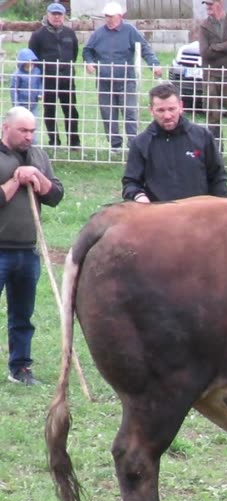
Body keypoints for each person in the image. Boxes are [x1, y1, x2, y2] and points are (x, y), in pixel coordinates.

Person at [0, 107, 63, 386]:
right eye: (23, 131)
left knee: (22, 315)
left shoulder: (38, 156)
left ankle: (20, 368)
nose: (29, 137)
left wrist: (38, 177)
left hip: (28, 250)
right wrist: (16, 179)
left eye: (32, 131)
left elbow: (56, 196)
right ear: (6, 128)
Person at [122, 83, 227, 202]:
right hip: (159, 214)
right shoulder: (140, 143)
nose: (167, 116)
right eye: (160, 110)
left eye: (172, 109)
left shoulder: (202, 136)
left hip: (199, 215)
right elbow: (130, 183)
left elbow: (218, 178)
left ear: (181, 106)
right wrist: (139, 197)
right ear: (151, 110)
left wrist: (221, 209)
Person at [83, 2, 162, 154]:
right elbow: (87, 50)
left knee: (129, 112)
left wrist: (154, 65)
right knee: (108, 113)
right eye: (106, 16)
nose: (108, 19)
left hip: (126, 80)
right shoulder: (99, 33)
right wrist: (90, 62)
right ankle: (115, 145)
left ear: (120, 16)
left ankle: (133, 145)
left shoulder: (130, 31)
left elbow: (144, 48)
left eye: (111, 16)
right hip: (105, 80)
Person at [197, 0, 227, 167]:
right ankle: (215, 152)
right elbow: (204, 52)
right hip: (211, 75)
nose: (208, 7)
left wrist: (215, 47)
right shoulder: (204, 26)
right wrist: (226, 45)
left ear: (220, 3)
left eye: (211, 4)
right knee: (213, 114)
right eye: (206, 5)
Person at [28, 2, 81, 149]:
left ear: (64, 16)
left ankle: (74, 142)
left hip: (67, 78)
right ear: (48, 15)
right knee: (50, 111)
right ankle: (54, 142)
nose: (57, 17)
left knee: (70, 110)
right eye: (54, 14)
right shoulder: (38, 35)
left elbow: (75, 53)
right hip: (48, 79)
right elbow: (34, 56)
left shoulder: (70, 34)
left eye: (59, 15)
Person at [10, 51, 43, 118]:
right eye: (28, 61)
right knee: (21, 120)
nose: (30, 63)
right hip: (21, 103)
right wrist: (15, 103)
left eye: (32, 61)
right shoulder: (17, 74)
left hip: (33, 103)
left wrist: (40, 93)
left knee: (33, 120)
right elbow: (13, 90)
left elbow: (39, 83)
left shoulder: (37, 71)